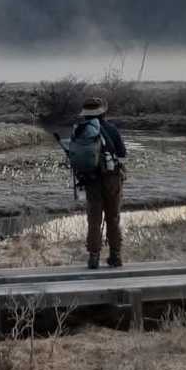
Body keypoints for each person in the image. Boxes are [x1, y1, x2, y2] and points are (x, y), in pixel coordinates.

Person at [68, 88, 128, 270]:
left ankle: (93, 257)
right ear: (103, 112)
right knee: (113, 217)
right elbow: (122, 154)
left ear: (85, 114)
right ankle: (115, 256)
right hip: (112, 179)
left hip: (91, 180)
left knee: (94, 220)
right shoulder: (111, 129)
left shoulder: (79, 130)